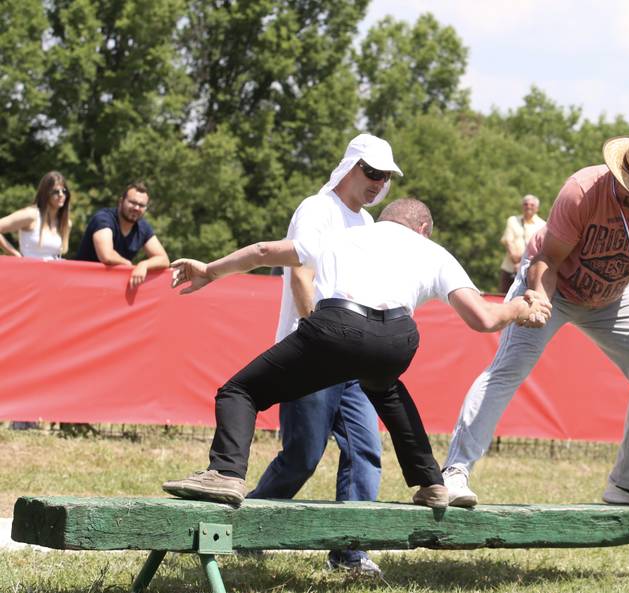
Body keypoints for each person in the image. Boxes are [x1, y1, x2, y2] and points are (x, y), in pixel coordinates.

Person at [161, 198, 551, 514]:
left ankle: (225, 473)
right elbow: (484, 319)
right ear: (423, 229)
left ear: (383, 220)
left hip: (336, 328)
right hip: (398, 339)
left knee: (240, 392)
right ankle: (431, 483)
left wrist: (210, 270)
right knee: (386, 388)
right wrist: (521, 308)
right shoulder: (434, 252)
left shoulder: (345, 236)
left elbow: (264, 251)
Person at [442, 130, 629, 509]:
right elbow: (548, 259)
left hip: (613, 296)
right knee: (508, 368)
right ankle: (454, 474)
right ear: (619, 172)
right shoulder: (583, 189)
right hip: (553, 285)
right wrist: (539, 301)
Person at [250, 133, 399, 576]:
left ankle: (349, 551)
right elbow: (301, 275)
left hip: (353, 358)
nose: (377, 183)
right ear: (351, 166)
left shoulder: (368, 224)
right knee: (302, 456)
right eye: (371, 172)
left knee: (366, 449)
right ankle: (244, 528)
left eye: (385, 176)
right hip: (311, 353)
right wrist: (320, 338)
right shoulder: (316, 209)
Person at [74, 181, 169, 287]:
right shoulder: (103, 219)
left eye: (141, 205)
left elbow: (164, 259)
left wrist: (144, 265)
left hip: (111, 289)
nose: (136, 208)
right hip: (83, 284)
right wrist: (128, 265)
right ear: (121, 201)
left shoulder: (142, 227)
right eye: (132, 202)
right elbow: (107, 256)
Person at [0, 171, 72, 261]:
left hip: (52, 273)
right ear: (45, 194)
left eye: (64, 191)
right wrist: (14, 254)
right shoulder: (31, 215)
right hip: (29, 272)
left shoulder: (65, 223)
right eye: (55, 192)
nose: (61, 195)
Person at [498, 194, 545, 292]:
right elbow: (508, 242)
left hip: (530, 272)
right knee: (503, 298)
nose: (528, 206)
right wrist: (517, 262)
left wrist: (522, 263)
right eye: (526, 204)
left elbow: (541, 249)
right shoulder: (512, 220)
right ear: (522, 206)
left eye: (532, 205)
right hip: (509, 268)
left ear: (537, 208)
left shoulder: (543, 225)